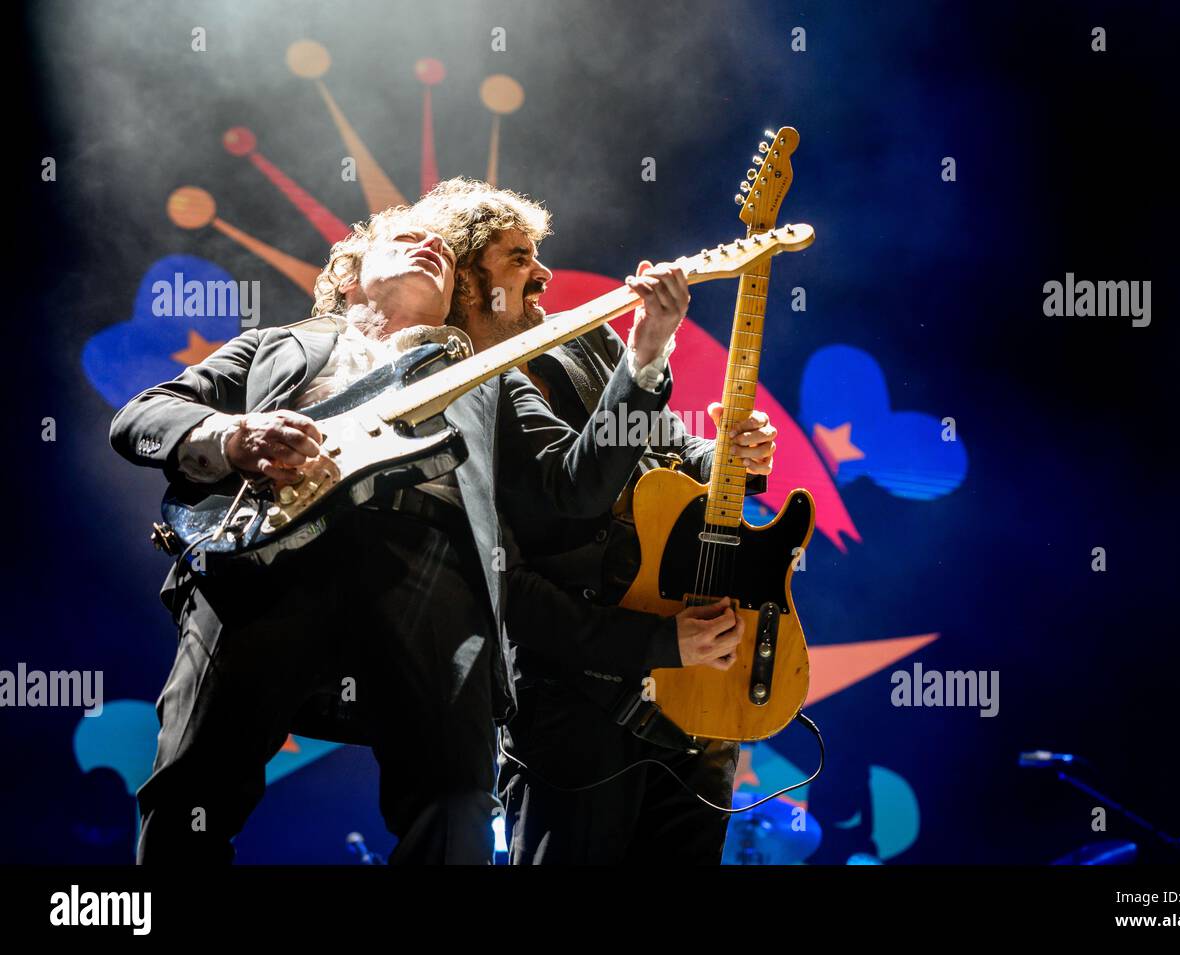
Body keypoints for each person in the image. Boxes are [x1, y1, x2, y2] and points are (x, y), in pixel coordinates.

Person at [109, 195, 690, 864]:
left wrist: (646, 355)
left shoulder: (486, 377)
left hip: (429, 566)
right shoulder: (277, 345)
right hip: (264, 558)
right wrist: (236, 436)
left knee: (457, 800)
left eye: (444, 252)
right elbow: (144, 413)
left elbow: (572, 489)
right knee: (191, 785)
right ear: (350, 276)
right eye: (407, 239)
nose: (430, 247)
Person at [409, 178, 779, 863]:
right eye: (518, 258)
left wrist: (730, 454)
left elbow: (667, 447)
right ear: (465, 280)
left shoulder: (580, 342)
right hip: (580, 705)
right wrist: (645, 357)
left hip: (691, 683)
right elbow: (558, 509)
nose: (543, 272)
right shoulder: (462, 384)